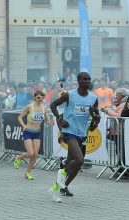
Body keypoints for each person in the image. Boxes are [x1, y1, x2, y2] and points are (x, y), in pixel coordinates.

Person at [49, 72, 100, 203]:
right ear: (79, 81)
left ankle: (57, 188)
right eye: (85, 79)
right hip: (69, 131)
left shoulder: (93, 98)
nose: (87, 81)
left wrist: (96, 119)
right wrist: (60, 118)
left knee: (77, 165)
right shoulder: (69, 95)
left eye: (89, 79)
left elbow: (96, 119)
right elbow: (53, 105)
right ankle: (62, 173)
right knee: (79, 159)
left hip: (82, 133)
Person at [14, 91, 54, 180]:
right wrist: (24, 125)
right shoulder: (29, 107)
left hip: (37, 133)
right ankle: (18, 157)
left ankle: (27, 173)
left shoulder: (44, 108)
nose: (41, 99)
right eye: (39, 97)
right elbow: (19, 117)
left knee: (35, 154)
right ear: (35, 98)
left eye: (42, 98)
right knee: (30, 153)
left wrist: (50, 122)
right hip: (28, 132)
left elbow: (47, 121)